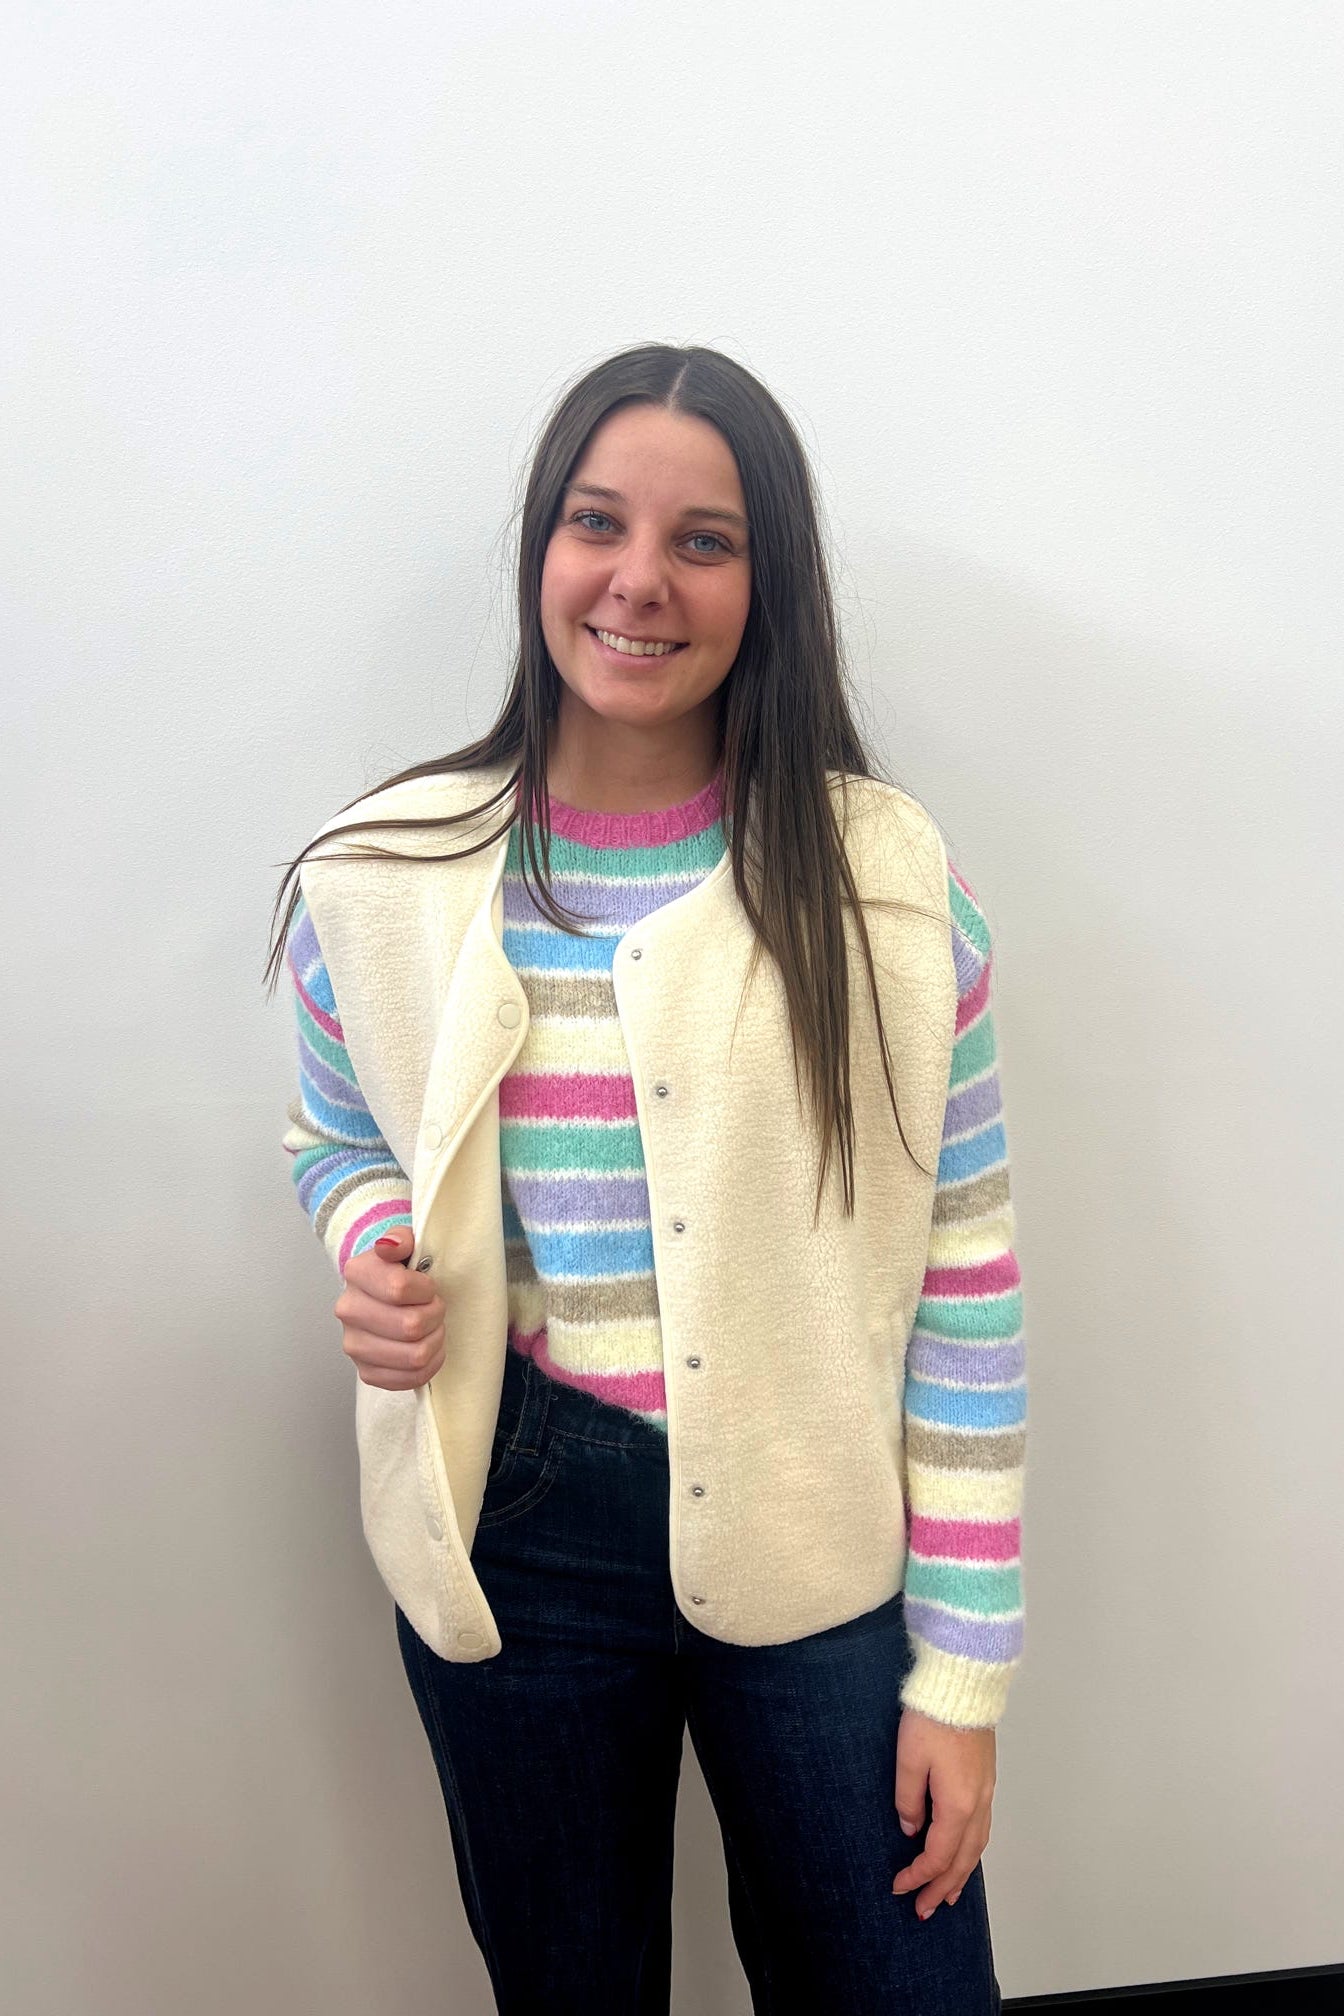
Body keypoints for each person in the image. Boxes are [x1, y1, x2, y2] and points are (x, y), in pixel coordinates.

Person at [264, 343, 1026, 2015]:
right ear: (542, 547)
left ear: (772, 583)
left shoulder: (884, 886)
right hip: (514, 1517)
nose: (639, 580)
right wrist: (378, 1242)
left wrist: (961, 1674)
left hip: (817, 1528)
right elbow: (334, 1131)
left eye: (706, 538)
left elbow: (964, 1281)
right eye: (597, 522)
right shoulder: (383, 878)